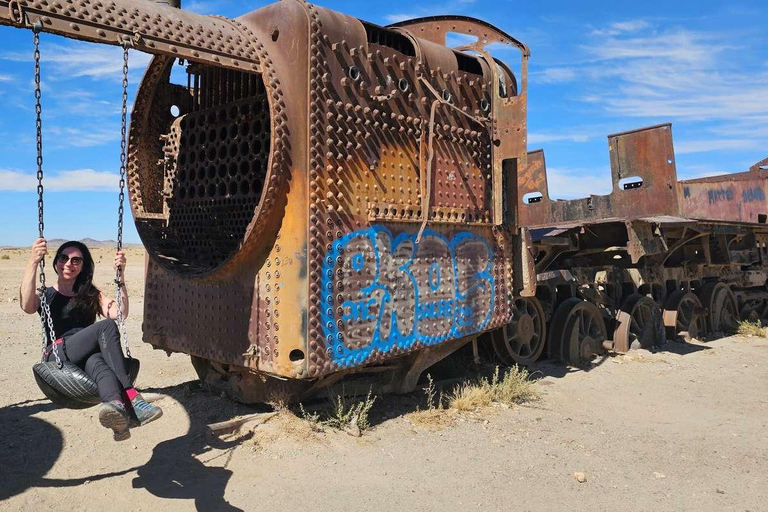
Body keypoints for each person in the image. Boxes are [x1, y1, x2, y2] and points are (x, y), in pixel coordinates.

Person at [20, 238, 163, 441]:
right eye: (63, 258)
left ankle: (118, 416)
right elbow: (27, 306)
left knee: (100, 364)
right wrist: (33, 261)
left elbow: (120, 312)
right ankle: (132, 396)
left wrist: (120, 274)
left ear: (83, 266)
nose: (69, 263)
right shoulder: (46, 293)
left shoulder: (90, 294)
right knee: (104, 326)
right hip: (58, 353)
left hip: (86, 353)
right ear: (56, 262)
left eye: (76, 260)